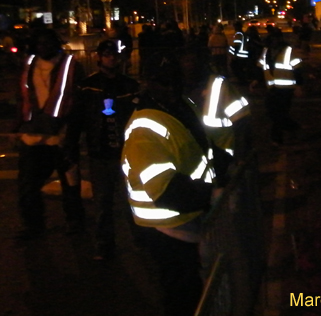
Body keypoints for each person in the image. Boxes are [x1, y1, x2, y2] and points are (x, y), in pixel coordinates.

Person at [121, 53, 222, 316]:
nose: (172, 88)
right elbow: (166, 191)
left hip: (187, 217)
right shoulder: (145, 128)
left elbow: (201, 146)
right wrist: (213, 194)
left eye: (176, 81)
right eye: (164, 82)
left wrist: (224, 167)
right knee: (181, 292)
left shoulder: (181, 105)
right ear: (147, 82)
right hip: (167, 226)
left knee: (193, 287)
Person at [72, 40, 141, 260]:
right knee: (103, 202)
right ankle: (104, 245)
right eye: (107, 54)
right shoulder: (87, 86)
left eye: (114, 55)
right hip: (100, 151)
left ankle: (141, 242)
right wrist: (71, 145)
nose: (111, 58)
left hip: (125, 152)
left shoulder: (129, 86)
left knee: (132, 200)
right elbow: (77, 118)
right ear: (99, 57)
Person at [14, 28, 85, 240]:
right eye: (39, 43)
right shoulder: (29, 65)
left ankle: (74, 221)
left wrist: (72, 133)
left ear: (56, 43)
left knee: (70, 184)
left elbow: (79, 102)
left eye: (47, 43)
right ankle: (34, 225)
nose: (43, 47)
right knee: (27, 185)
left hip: (62, 136)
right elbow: (22, 98)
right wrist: (16, 128)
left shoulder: (71, 65)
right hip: (32, 137)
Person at [255, 27, 303, 145]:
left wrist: (298, 86)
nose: (273, 41)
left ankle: (276, 138)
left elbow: (298, 69)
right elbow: (261, 67)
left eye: (275, 38)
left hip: (286, 88)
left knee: (279, 113)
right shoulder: (266, 51)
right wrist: (256, 80)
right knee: (273, 113)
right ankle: (293, 128)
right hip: (272, 88)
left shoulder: (289, 51)